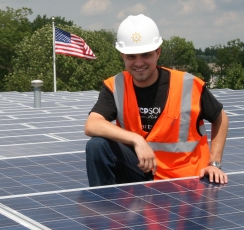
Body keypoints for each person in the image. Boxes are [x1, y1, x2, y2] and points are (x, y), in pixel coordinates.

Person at [84, 14, 229, 187]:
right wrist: (137, 140)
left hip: (185, 178)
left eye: (146, 55)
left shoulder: (187, 85)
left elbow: (220, 117)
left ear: (158, 52)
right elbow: (92, 124)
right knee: (97, 146)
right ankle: (104, 206)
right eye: (131, 56)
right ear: (122, 56)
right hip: (142, 170)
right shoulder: (116, 86)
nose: (139, 63)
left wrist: (214, 164)